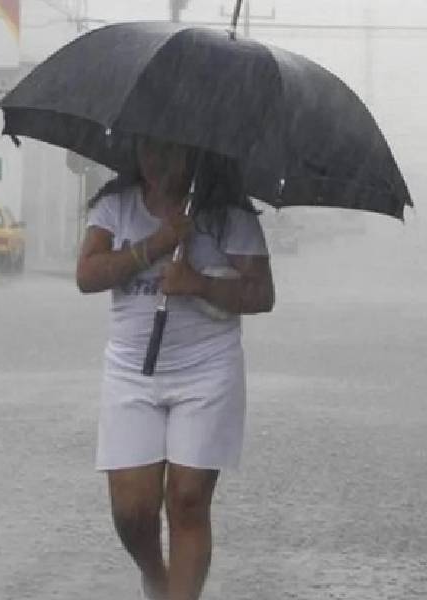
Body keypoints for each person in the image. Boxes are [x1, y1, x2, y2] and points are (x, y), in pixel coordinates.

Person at [76, 136, 275, 600]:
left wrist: (198, 284)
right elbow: (87, 275)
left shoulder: (228, 215)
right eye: (145, 147)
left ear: (196, 153)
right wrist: (155, 246)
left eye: (167, 149)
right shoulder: (115, 206)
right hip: (131, 370)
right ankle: (156, 575)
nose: (153, 159)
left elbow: (261, 294)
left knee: (187, 501)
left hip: (207, 371)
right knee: (131, 510)